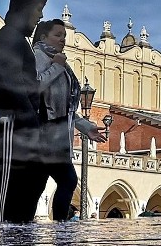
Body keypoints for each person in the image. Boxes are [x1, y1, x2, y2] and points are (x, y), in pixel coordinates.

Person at [0, 0, 48, 223]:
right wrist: (30, 118)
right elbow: (8, 81)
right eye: (38, 10)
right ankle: (5, 227)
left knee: (36, 173)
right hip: (7, 116)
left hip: (20, 118)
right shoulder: (9, 36)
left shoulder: (18, 40)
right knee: (11, 176)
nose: (40, 16)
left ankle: (21, 223)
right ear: (25, 9)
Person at [33, 19, 107, 221]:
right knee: (67, 180)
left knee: (39, 185)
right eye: (58, 35)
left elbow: (66, 109)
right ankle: (59, 229)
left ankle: (23, 228)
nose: (63, 40)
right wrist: (57, 67)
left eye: (64, 36)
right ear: (43, 37)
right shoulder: (39, 56)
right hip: (46, 132)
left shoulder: (58, 61)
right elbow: (35, 87)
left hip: (56, 132)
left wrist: (86, 127)